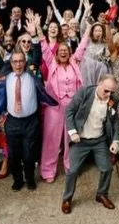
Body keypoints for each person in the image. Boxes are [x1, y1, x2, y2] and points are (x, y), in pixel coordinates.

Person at [0, 51, 59, 192]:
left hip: (30, 122)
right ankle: (17, 180)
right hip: (12, 122)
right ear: (11, 63)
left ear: (25, 62)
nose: (18, 64)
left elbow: (37, 55)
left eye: (21, 61)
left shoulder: (32, 76)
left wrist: (35, 36)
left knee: (29, 154)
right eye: (15, 61)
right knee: (14, 155)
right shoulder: (6, 78)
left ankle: (30, 179)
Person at [37, 12, 89, 182]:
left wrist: (88, 29)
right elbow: (44, 47)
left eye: (66, 50)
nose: (64, 53)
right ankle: (47, 170)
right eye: (61, 51)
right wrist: (38, 29)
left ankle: (70, 166)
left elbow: (82, 46)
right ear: (57, 53)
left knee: (71, 139)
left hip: (72, 107)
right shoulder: (52, 63)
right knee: (51, 139)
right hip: (54, 108)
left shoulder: (75, 61)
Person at [60, 74, 119, 214]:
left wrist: (115, 140)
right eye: (106, 90)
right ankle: (67, 198)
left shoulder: (112, 100)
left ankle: (101, 194)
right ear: (99, 84)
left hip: (99, 140)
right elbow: (69, 111)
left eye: (112, 92)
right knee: (72, 170)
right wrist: (72, 131)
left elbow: (115, 121)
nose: (109, 94)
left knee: (107, 168)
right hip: (80, 140)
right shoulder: (85, 92)